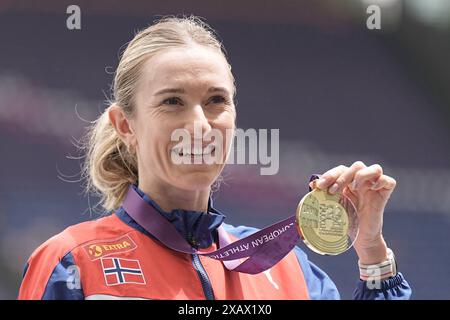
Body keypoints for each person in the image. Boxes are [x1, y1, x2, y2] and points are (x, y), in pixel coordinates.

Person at [18, 16, 411, 300]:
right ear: (125, 125)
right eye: (173, 102)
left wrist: (371, 249)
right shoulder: (72, 263)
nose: (200, 125)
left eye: (216, 101)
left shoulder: (286, 268)